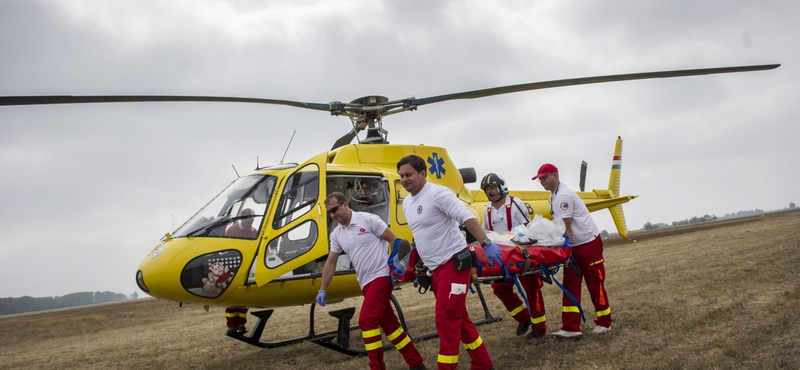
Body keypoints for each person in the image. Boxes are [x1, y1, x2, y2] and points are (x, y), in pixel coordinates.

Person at [397, 155, 501, 370]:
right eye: (401, 176)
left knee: (446, 319)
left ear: (423, 174)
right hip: (434, 271)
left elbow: (466, 216)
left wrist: (486, 241)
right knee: (459, 319)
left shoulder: (438, 193)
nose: (404, 179)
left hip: (453, 265)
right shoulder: (407, 203)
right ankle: (483, 364)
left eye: (409, 174)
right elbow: (423, 234)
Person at [316, 192, 426, 370]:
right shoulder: (336, 234)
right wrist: (322, 289)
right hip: (365, 283)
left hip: (381, 276)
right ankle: (416, 363)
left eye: (334, 210)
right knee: (390, 326)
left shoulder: (368, 220)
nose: (332, 215)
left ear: (345, 205)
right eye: (329, 212)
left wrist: (394, 269)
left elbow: (393, 239)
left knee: (366, 321)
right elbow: (331, 261)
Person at [532, 163, 612, 339]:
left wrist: (565, 253)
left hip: (587, 243)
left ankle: (604, 321)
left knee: (595, 282)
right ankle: (570, 326)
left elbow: (566, 227)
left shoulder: (563, 196)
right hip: (575, 245)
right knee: (571, 284)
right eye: (540, 179)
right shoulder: (555, 195)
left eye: (544, 178)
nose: (542, 182)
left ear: (555, 175)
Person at [480, 173, 547, 339]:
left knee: (532, 288)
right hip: (501, 256)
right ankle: (523, 318)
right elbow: (486, 232)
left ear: (502, 187)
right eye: (487, 189)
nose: (491, 191)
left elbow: (527, 226)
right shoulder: (486, 210)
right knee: (499, 288)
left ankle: (539, 327)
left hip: (521, 253)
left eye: (493, 187)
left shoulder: (515, 203)